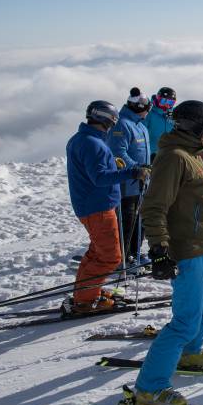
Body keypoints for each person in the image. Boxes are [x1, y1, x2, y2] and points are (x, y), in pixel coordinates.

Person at [133, 100, 203, 405]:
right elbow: (154, 206)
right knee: (185, 321)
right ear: (198, 128)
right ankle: (150, 388)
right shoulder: (174, 158)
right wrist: (159, 250)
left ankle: (190, 352)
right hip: (188, 251)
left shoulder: (192, 155)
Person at [66, 101, 147, 313]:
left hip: (90, 204)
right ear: (107, 119)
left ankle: (87, 292)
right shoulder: (93, 143)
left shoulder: (82, 139)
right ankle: (85, 301)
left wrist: (114, 164)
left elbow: (95, 169)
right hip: (98, 206)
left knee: (97, 252)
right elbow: (100, 178)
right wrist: (133, 172)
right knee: (110, 257)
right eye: (113, 121)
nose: (113, 125)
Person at [107, 88, 151, 264]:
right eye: (148, 107)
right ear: (141, 107)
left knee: (138, 220)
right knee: (127, 218)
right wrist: (137, 168)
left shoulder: (139, 124)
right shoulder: (122, 124)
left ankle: (133, 253)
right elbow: (118, 153)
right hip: (128, 180)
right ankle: (121, 257)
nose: (149, 111)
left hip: (140, 180)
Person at [144, 87, 176, 162]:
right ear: (158, 99)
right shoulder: (149, 112)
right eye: (163, 101)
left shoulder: (174, 115)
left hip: (168, 156)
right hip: (150, 156)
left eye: (170, 103)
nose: (166, 105)